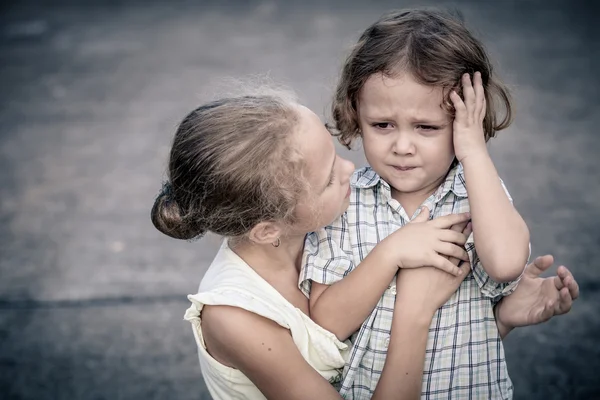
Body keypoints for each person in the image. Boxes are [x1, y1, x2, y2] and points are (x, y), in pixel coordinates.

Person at [152, 91, 579, 400]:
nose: (350, 169)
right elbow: (400, 329)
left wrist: (498, 320)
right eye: (329, 179)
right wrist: (413, 305)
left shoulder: (321, 232)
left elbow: (376, 352)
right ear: (267, 228)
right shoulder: (235, 317)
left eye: (333, 149)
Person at [299, 8, 571, 399]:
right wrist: (391, 252)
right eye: (382, 125)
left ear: (465, 122)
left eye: (427, 127)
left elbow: (508, 263)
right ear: (356, 114)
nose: (403, 146)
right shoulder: (343, 201)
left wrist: (474, 151)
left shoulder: (476, 192)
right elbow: (325, 322)